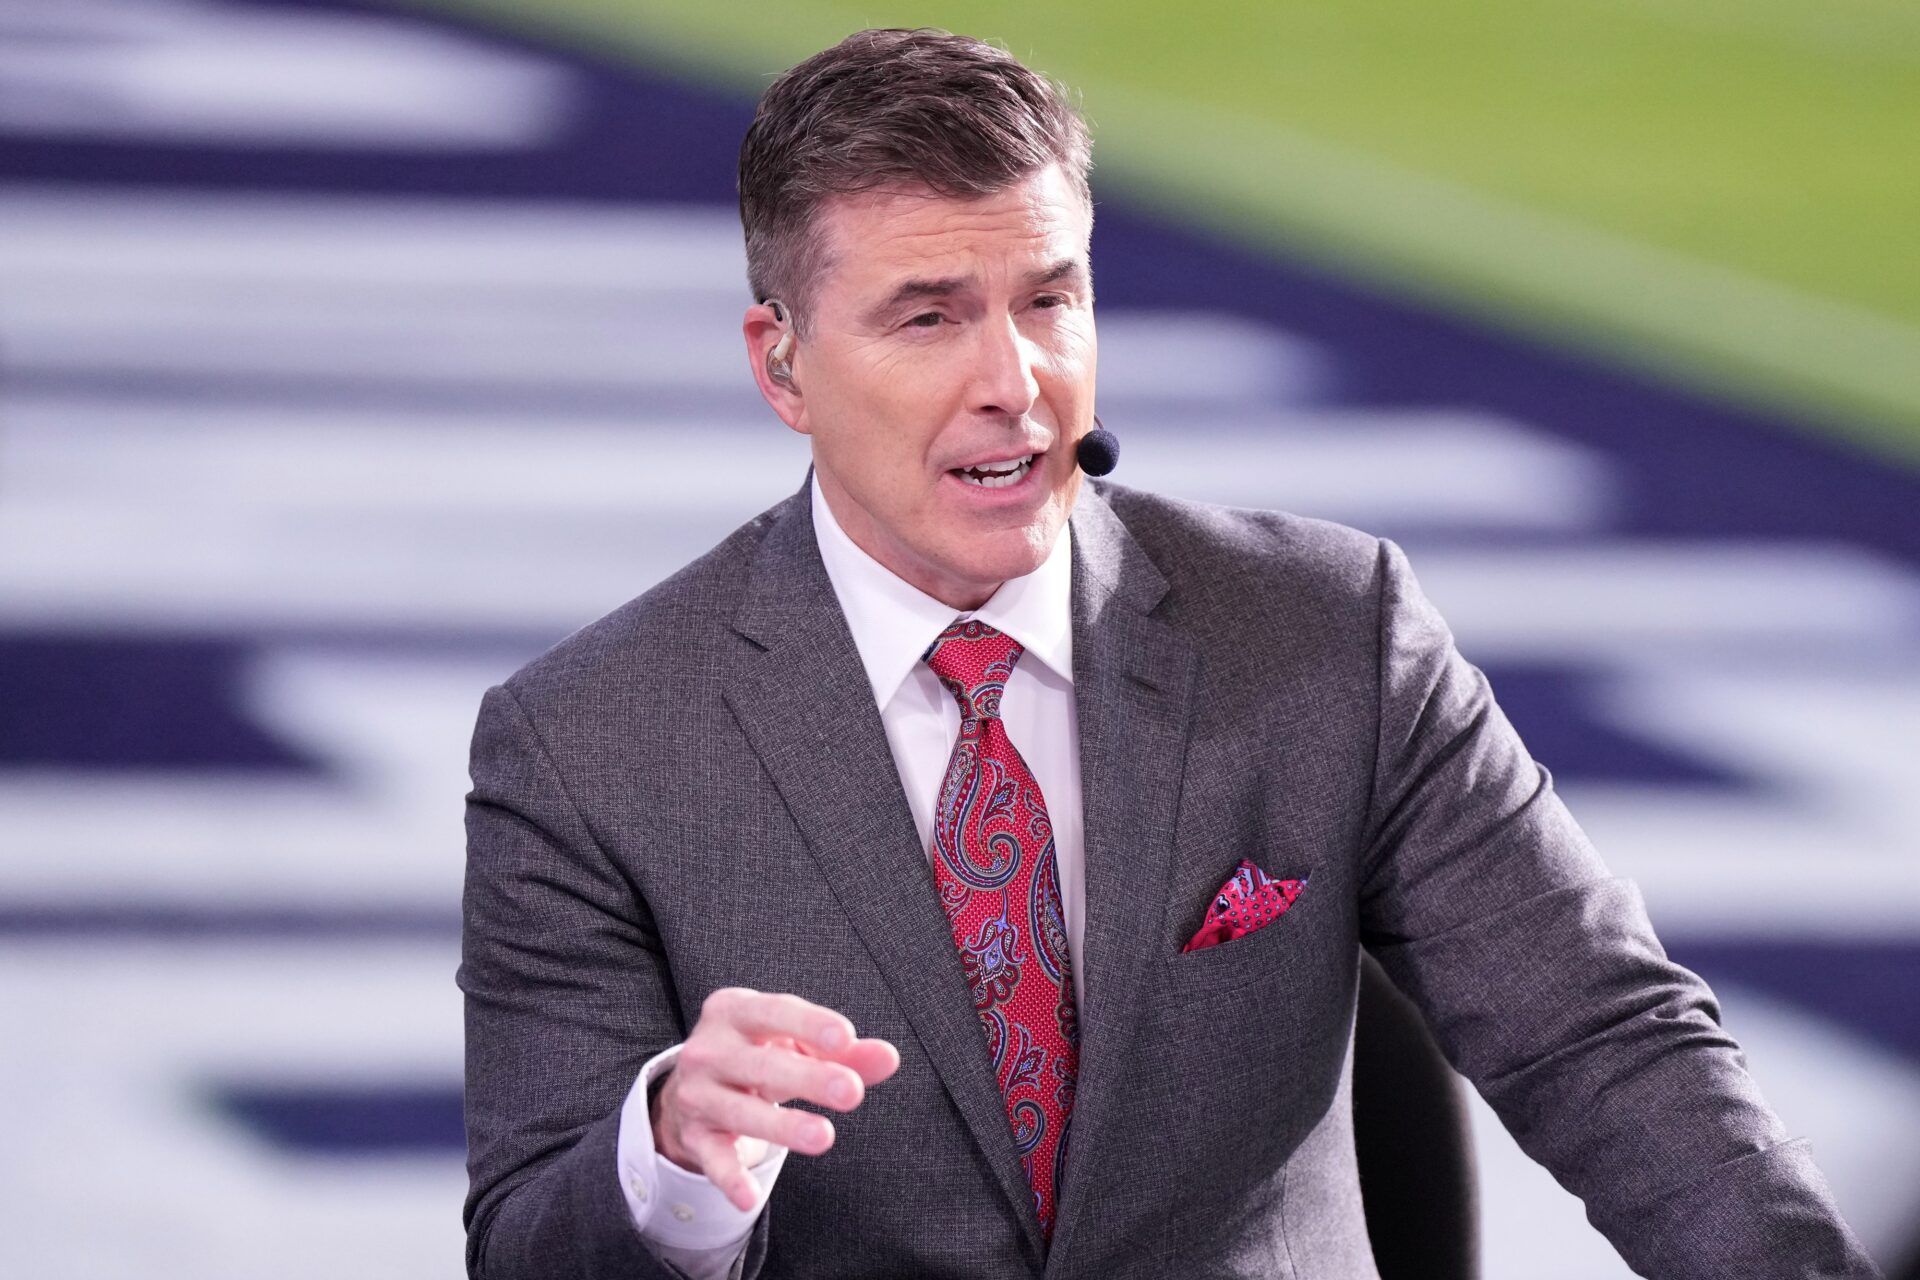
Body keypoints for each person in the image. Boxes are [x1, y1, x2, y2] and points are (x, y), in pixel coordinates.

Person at [458, 27, 1877, 1280]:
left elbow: (1602, 1041)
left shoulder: (1335, 631)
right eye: (929, 315)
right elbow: (530, 1244)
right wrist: (667, 1165)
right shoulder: (588, 744)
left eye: (1049, 299)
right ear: (781, 366)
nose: (1014, 380)